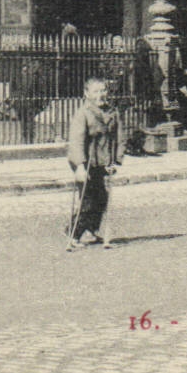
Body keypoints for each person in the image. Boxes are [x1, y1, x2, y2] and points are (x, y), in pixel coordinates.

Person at [66, 77, 122, 247]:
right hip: (85, 162)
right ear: (87, 94)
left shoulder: (112, 112)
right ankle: (74, 234)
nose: (101, 95)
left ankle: (90, 230)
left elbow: (119, 138)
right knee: (87, 199)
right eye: (96, 91)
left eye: (103, 90)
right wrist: (80, 167)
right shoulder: (83, 113)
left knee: (101, 198)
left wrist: (116, 161)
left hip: (103, 162)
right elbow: (76, 141)